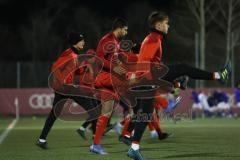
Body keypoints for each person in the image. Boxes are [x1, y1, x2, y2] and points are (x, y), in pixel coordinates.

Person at [127, 11, 231, 160]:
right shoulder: (153, 39)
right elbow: (147, 63)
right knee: (183, 67)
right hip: (146, 79)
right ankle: (219, 75)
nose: (168, 25)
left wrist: (170, 81)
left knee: (145, 115)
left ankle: (133, 147)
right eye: (166, 23)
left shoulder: (153, 38)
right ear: (158, 25)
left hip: (143, 80)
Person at [36, 32, 99, 149]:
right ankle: (95, 143)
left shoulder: (74, 55)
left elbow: (74, 71)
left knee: (54, 114)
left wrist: (82, 69)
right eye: (82, 40)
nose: (84, 42)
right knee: (94, 110)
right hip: (66, 88)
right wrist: (63, 82)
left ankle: (41, 139)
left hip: (64, 88)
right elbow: (55, 67)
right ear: (75, 42)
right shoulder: (69, 54)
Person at [89, 18, 129, 155]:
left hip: (107, 80)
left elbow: (113, 59)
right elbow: (99, 60)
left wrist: (121, 61)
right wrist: (116, 67)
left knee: (105, 113)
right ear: (119, 28)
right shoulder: (108, 40)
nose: (126, 32)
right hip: (105, 77)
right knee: (132, 81)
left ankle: (95, 145)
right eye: (125, 29)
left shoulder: (116, 42)